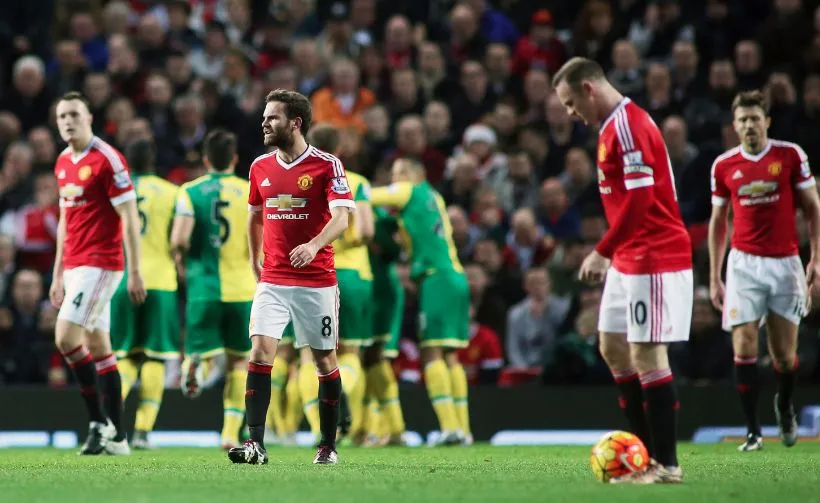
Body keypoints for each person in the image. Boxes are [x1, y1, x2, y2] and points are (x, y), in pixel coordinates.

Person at [552, 57, 693, 484]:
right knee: (612, 346)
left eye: (571, 103)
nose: (572, 114)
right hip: (629, 254)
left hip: (653, 253)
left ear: (589, 89)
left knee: (647, 353)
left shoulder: (628, 126)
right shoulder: (610, 128)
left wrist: (602, 250)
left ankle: (665, 464)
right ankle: (641, 455)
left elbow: (642, 200)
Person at [228, 89, 354, 466]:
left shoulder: (326, 165)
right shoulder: (259, 167)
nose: (264, 123)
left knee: (323, 362)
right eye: (265, 118)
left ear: (295, 122)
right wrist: (255, 261)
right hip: (274, 279)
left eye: (272, 118)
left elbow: (343, 217)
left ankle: (328, 446)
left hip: (317, 280)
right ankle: (256, 445)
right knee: (261, 351)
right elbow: (253, 215)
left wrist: (314, 245)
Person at [708, 90, 820, 452]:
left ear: (767, 121)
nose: (749, 125)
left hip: (785, 264)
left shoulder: (790, 156)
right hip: (743, 264)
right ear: (734, 126)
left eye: (755, 118)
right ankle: (753, 432)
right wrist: (714, 274)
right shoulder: (723, 165)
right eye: (742, 120)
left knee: (784, 356)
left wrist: (816, 259)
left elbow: (813, 208)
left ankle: (784, 406)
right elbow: (718, 222)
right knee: (743, 346)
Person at [50, 91, 147, 455]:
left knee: (65, 338)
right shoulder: (62, 162)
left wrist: (135, 271)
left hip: (102, 264)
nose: (67, 122)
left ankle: (96, 423)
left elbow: (130, 217)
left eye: (74, 114)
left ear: (89, 116)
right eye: (62, 117)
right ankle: (119, 438)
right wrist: (58, 272)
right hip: (74, 265)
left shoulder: (108, 159)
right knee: (98, 348)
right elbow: (65, 220)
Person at [370, 158, 472, 446]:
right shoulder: (434, 197)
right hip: (455, 275)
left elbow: (368, 195)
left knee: (432, 353)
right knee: (450, 354)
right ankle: (463, 430)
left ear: (417, 174)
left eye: (401, 173)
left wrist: (347, 187)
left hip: (435, 279)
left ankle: (450, 428)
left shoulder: (409, 191)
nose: (396, 178)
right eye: (394, 174)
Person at [171, 129, 255, 450]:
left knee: (201, 350)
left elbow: (179, 238)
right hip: (242, 289)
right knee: (239, 362)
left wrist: (182, 261)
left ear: (206, 159)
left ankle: (196, 364)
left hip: (203, 288)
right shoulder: (249, 191)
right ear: (234, 159)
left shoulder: (190, 192)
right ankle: (229, 433)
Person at [110, 139, 180, 450]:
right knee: (155, 357)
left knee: (124, 355)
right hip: (161, 281)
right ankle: (143, 432)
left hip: (121, 279)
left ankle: (111, 424)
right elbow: (179, 240)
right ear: (153, 161)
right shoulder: (172, 192)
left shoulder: (114, 193)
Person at [308, 123, 373, 444]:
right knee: (351, 352)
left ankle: (317, 428)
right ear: (341, 148)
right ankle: (345, 391)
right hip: (356, 275)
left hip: (317, 273)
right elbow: (365, 233)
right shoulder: (357, 183)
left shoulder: (302, 180)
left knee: (312, 354)